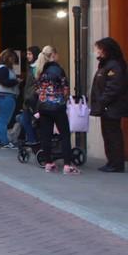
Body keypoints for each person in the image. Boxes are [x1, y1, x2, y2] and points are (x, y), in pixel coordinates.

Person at [33, 46, 77, 174]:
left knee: (46, 135)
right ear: (53, 55)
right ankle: (67, 165)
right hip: (58, 106)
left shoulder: (40, 70)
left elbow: (37, 89)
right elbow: (65, 89)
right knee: (65, 135)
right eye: (57, 54)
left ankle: (49, 163)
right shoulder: (58, 70)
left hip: (43, 107)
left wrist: (45, 95)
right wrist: (62, 97)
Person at [90, 37, 128, 173]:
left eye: (99, 49)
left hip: (112, 107)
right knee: (107, 134)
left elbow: (113, 88)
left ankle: (116, 163)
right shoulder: (105, 65)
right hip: (106, 107)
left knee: (113, 134)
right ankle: (112, 161)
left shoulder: (114, 66)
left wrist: (102, 101)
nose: (97, 51)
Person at [0, 49, 20, 149]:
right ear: (9, 58)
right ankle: (4, 142)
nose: (14, 61)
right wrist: (16, 81)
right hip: (6, 97)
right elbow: (5, 82)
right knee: (3, 121)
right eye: (13, 59)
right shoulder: (3, 68)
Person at [18, 46, 42, 145]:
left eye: (30, 54)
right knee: (25, 120)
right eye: (27, 54)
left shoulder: (36, 68)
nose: (28, 56)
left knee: (25, 120)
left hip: (32, 99)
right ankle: (32, 140)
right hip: (29, 98)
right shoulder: (31, 67)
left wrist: (33, 94)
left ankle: (33, 140)